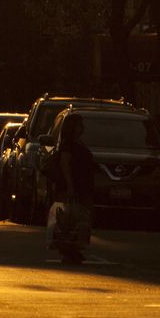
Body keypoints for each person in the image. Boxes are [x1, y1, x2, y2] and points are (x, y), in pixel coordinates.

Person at [49, 112, 97, 263]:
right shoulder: (68, 143)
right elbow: (65, 164)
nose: (82, 128)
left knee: (81, 219)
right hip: (72, 186)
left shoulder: (79, 142)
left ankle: (76, 247)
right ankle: (68, 249)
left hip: (83, 186)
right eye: (79, 124)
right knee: (68, 220)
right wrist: (70, 186)